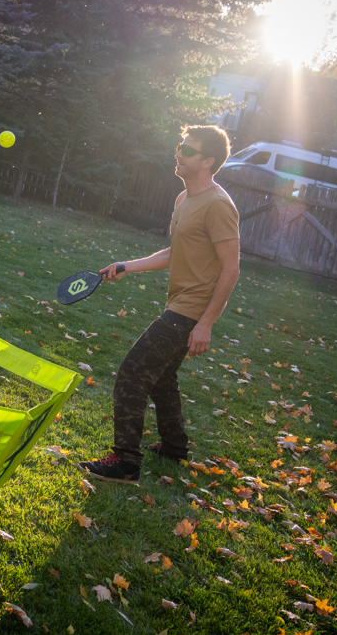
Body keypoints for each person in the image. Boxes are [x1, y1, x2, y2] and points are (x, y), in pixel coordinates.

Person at [79, 125, 241, 484]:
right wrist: (128, 266)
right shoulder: (185, 199)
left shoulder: (218, 205)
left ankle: (126, 461)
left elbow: (231, 268)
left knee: (133, 371)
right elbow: (176, 252)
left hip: (191, 310)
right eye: (180, 145)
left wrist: (206, 323)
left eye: (187, 148)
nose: (178, 152)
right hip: (180, 303)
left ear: (208, 161)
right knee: (163, 377)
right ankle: (174, 447)